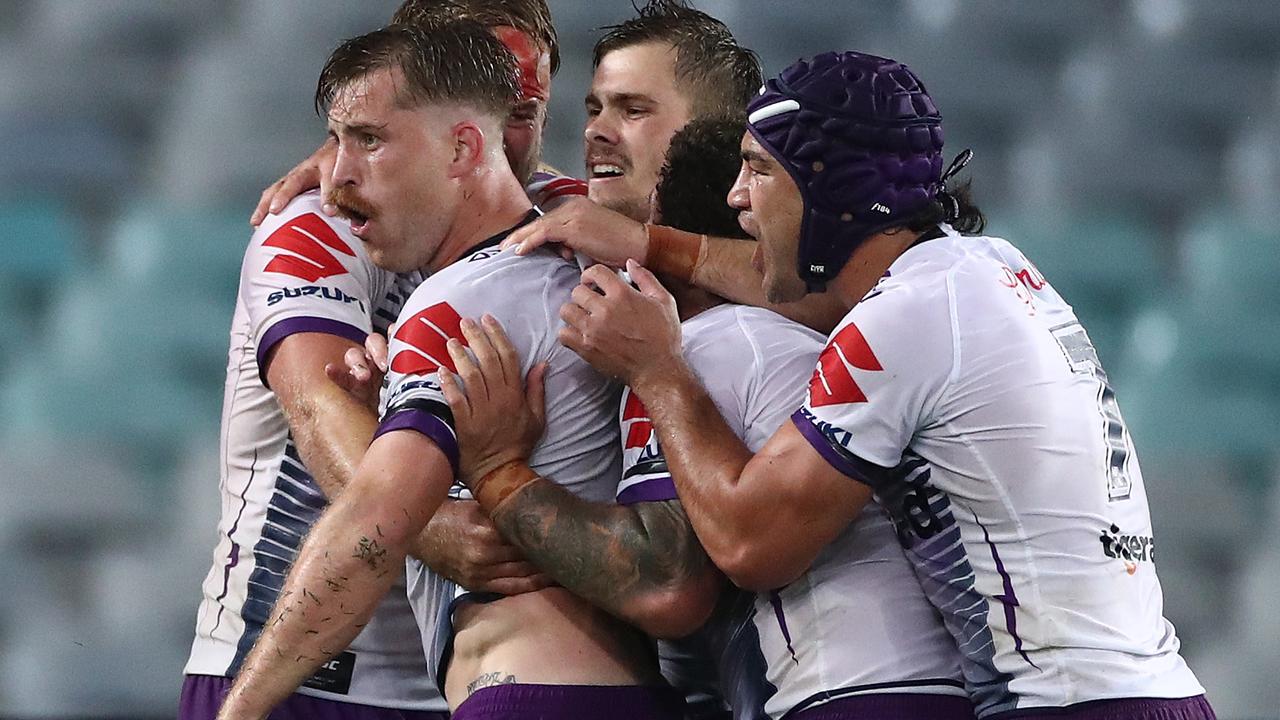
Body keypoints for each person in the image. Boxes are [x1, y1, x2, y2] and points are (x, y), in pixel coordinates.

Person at [485, 51, 1218, 718]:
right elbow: (805, 294)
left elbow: (752, 544)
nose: (738, 198)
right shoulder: (981, 270)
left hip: (1063, 705)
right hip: (1151, 688)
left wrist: (658, 370)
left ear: (835, 190)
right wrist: (652, 243)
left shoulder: (906, 315)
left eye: (761, 170)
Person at [216, 22, 677, 720]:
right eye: (337, 141)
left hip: (529, 693)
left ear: (464, 147)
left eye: (370, 141)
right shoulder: (606, 260)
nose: (336, 177)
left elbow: (370, 527)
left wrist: (240, 710)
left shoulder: (461, 301)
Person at [442, 115, 974, 719]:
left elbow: (666, 582)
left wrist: (496, 472)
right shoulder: (792, 339)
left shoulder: (700, 349)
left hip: (855, 695)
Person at [181, 3, 570, 717]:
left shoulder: (572, 221)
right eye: (469, 99)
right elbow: (315, 401)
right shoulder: (317, 222)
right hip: (294, 673)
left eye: (520, 109)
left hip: (465, 686)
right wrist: (428, 528)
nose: (497, 136)